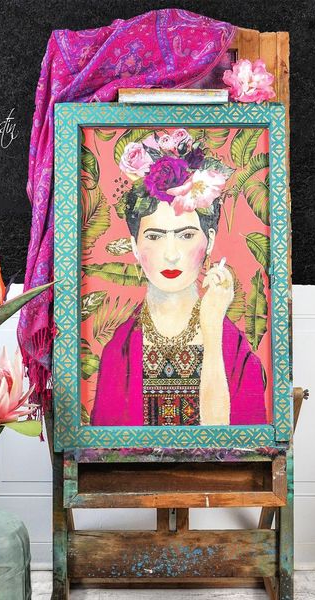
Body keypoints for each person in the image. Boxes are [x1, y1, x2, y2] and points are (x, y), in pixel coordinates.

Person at [90, 132, 266, 427]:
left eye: (185, 235)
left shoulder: (236, 350)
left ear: (209, 241)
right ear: (135, 246)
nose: (171, 254)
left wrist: (211, 328)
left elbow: (233, 442)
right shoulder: (118, 352)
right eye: (154, 237)